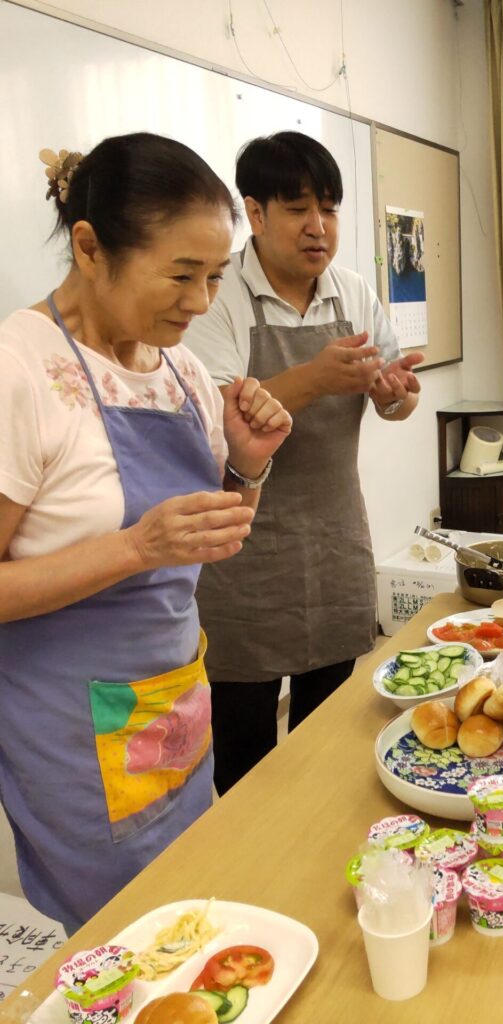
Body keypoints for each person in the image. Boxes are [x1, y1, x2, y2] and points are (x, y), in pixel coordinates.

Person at [0, 133, 293, 933]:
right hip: (70, 728)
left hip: (173, 704)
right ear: (91, 248)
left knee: (193, 915)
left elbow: (212, 540)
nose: (200, 302)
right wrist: (135, 547)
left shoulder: (182, 372)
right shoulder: (21, 370)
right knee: (122, 941)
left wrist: (248, 468)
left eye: (215, 276)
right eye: (180, 274)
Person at [185, 131, 423, 795]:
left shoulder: (352, 291)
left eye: (330, 208)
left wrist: (394, 395)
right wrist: (316, 377)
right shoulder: (218, 293)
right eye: (297, 209)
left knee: (337, 742)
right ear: (254, 214)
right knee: (246, 761)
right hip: (243, 555)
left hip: (335, 535)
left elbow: (395, 404)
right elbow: (220, 417)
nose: (319, 227)